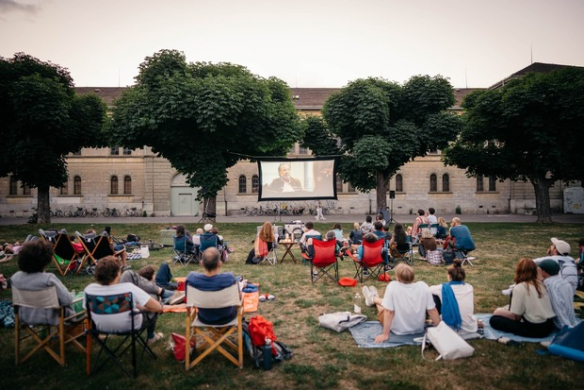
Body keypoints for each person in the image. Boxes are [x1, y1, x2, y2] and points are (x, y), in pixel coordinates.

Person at [84, 255, 171, 345]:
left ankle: (96, 336)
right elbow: (158, 308)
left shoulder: (89, 290)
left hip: (102, 328)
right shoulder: (128, 289)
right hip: (130, 326)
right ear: (118, 273)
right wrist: (141, 307)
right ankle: (151, 336)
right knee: (154, 295)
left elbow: (88, 313)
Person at [360, 263, 440, 342]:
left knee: (384, 309)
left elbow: (389, 312)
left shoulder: (393, 286)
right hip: (418, 328)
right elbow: (432, 310)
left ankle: (373, 299)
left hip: (398, 329)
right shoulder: (423, 286)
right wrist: (440, 330)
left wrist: (385, 334)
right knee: (389, 304)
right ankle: (373, 298)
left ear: (397, 277)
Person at [11, 240, 81, 324]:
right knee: (82, 301)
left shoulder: (15, 278)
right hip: (51, 317)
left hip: (25, 316)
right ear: (45, 261)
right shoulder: (48, 279)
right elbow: (67, 300)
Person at [490, 258, 555, 338]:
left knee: (494, 320)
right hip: (549, 325)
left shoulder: (519, 288)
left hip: (536, 329)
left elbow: (516, 317)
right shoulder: (540, 284)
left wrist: (498, 311)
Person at [185, 248, 240, 325]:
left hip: (204, 318)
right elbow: (239, 297)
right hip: (227, 317)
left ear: (202, 263)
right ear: (220, 264)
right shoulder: (229, 278)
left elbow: (188, 300)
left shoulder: (192, 278)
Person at [429, 259, 478, 335]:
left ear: (449, 276)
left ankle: (438, 319)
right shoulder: (469, 287)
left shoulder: (441, 288)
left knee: (433, 296)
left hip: (448, 330)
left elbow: (428, 290)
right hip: (470, 328)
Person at [537, 259, 580, 329]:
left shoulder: (548, 284)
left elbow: (557, 306)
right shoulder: (565, 282)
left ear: (543, 272)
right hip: (572, 320)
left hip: (561, 325)